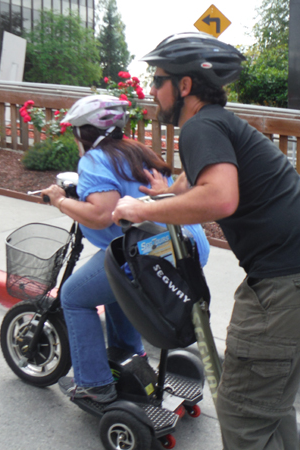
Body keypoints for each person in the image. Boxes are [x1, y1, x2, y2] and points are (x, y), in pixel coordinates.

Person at [112, 32, 300, 449]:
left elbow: (221, 196)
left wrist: (141, 210)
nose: (152, 90)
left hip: (290, 287)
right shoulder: (221, 123)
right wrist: (163, 195)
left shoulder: (200, 126)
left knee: (242, 412)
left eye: (158, 80)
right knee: (268, 404)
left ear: (184, 86)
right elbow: (202, 180)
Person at [40, 94, 209, 403]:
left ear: (83, 132)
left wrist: (60, 201)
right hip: (184, 245)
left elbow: (102, 213)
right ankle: (132, 362)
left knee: (74, 296)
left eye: (75, 131)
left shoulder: (93, 160)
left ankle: (95, 384)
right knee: (116, 287)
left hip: (149, 252)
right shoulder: (136, 150)